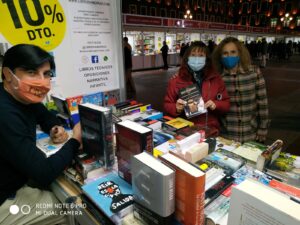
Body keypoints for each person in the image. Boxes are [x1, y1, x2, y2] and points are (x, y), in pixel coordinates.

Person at [0, 44, 82, 224]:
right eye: (31, 72)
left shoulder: (20, 96)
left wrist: (55, 127)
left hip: (19, 177)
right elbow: (43, 172)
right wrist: (75, 140)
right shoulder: (4, 113)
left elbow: (45, 115)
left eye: (46, 74)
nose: (41, 81)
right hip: (5, 199)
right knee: (74, 207)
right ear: (7, 75)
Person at [164, 41, 230, 136]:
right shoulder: (176, 80)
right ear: (187, 58)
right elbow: (167, 104)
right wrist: (176, 108)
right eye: (193, 55)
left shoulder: (216, 79)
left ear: (207, 59)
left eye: (201, 55)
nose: (196, 59)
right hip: (186, 130)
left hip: (210, 129)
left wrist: (216, 104)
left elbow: (226, 104)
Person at [212, 37, 269, 143]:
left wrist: (263, 128)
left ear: (239, 53)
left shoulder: (254, 72)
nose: (229, 56)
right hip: (226, 136)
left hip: (251, 134)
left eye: (233, 52)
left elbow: (262, 103)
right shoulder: (217, 77)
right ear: (220, 56)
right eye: (225, 53)